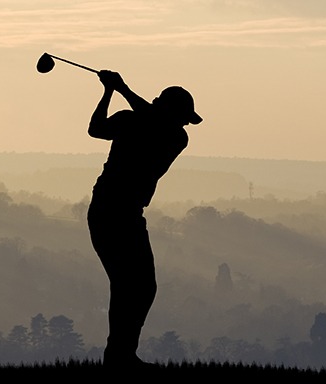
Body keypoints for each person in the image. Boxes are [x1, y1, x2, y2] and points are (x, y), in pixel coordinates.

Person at [87, 69, 202, 366]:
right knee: (128, 284)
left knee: (140, 286)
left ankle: (121, 353)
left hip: (127, 213)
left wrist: (119, 88)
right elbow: (96, 129)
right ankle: (119, 355)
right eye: (183, 116)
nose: (184, 123)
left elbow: (155, 123)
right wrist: (110, 92)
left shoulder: (176, 136)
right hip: (110, 210)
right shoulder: (133, 120)